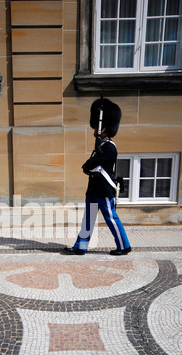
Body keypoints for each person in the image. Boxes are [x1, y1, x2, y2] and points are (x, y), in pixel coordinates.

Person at [64, 97, 131, 256]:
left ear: (104, 128)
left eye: (96, 128)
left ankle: (124, 245)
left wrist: (87, 165)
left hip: (104, 191)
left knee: (111, 219)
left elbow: (93, 163)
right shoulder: (101, 146)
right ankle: (81, 246)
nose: (94, 131)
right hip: (94, 190)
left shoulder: (109, 147)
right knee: (88, 219)